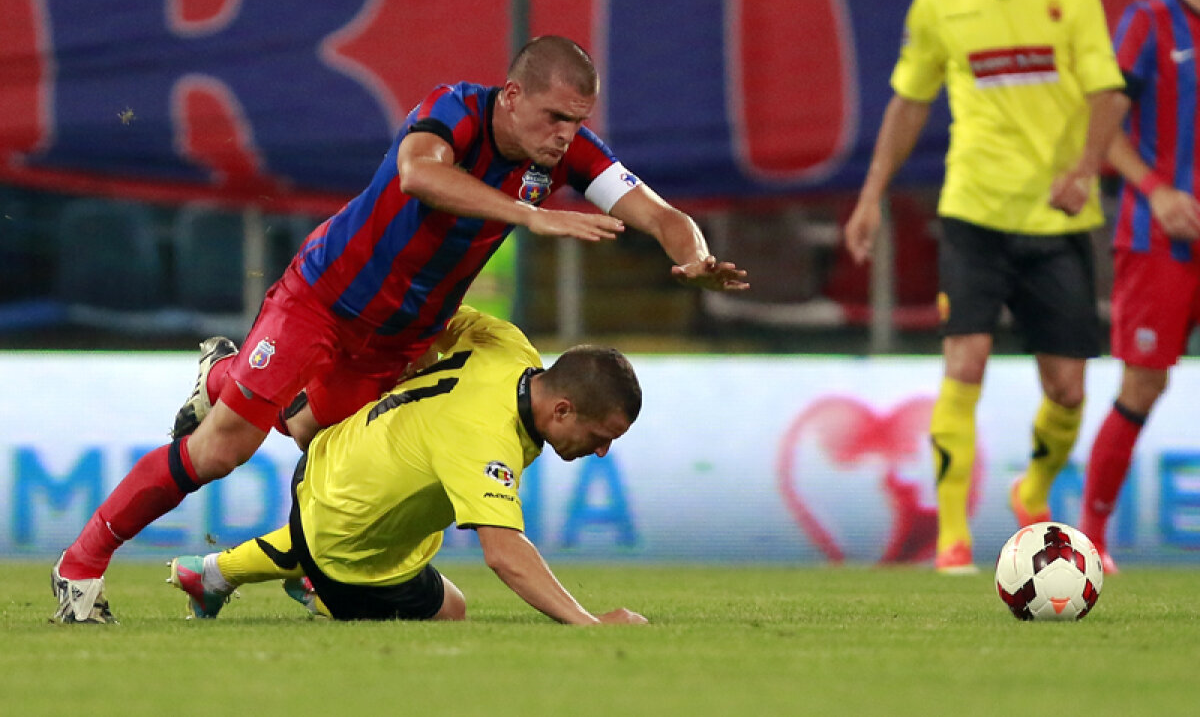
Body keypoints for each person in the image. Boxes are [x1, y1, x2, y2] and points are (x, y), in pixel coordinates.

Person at [51, 35, 747, 624]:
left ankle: (229, 380)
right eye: (554, 116)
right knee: (223, 449)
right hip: (323, 298)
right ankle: (80, 569)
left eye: (576, 120)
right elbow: (418, 176)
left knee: (310, 440)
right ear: (511, 96)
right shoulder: (455, 112)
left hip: (401, 338)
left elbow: (658, 213)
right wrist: (531, 216)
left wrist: (692, 253)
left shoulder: (566, 156)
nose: (563, 135)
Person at [843, 0, 1128, 574]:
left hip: (1057, 219)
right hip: (973, 212)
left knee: (1066, 390)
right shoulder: (938, 2)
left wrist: (1086, 168)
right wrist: (870, 195)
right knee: (963, 363)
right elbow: (909, 102)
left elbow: (1108, 92)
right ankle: (951, 537)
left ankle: (1031, 491)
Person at [168, 306, 647, 625]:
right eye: (601, 437)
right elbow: (504, 554)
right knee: (443, 613)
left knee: (445, 595)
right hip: (348, 542)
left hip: (336, 450)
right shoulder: (486, 441)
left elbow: (430, 310)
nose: (601, 451)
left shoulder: (510, 346)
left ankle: (211, 573)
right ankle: (318, 588)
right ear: (563, 410)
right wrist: (590, 623)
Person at [1078, 0, 1200, 574]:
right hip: (1159, 241)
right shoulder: (1150, 25)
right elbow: (1104, 131)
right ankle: (1093, 534)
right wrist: (1156, 189)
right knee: (1142, 385)